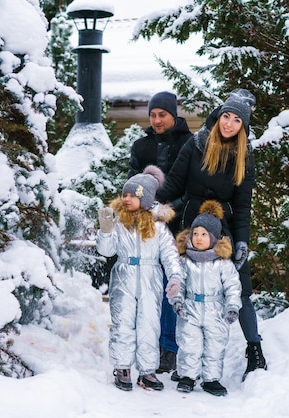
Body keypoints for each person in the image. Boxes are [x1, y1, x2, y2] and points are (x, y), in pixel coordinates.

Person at [156, 88, 268, 382]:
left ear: (243, 126)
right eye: (226, 117)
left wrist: (241, 241)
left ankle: (254, 350)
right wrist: (150, 201)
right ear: (218, 117)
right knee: (186, 286)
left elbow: (243, 204)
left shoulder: (245, 157)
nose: (229, 124)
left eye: (236, 121)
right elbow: (174, 184)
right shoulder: (196, 144)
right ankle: (183, 357)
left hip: (223, 226)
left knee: (240, 286)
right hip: (190, 223)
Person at [96, 165, 185, 392]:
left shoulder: (158, 228)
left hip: (150, 278)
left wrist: (175, 277)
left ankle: (147, 371)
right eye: (124, 194)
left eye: (132, 195)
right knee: (123, 322)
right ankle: (122, 367)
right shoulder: (119, 224)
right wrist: (106, 230)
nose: (126, 199)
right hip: (124, 277)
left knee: (149, 324)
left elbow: (170, 255)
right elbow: (106, 251)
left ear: (145, 199)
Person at [127, 91, 193, 375]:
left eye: (162, 115)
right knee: (147, 287)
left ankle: (169, 348)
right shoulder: (141, 147)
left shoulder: (189, 144)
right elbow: (132, 184)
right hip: (147, 228)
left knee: (171, 286)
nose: (156, 120)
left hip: (178, 226)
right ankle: (146, 344)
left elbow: (193, 187)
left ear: (173, 115)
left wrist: (169, 210)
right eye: (152, 115)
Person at [166, 200, 241, 396]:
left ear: (214, 238)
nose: (198, 238)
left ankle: (211, 379)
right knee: (189, 345)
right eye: (195, 233)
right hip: (190, 308)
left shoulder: (223, 263)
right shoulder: (185, 261)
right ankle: (187, 377)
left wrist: (232, 306)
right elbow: (178, 282)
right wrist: (178, 301)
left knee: (214, 347)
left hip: (215, 309)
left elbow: (233, 285)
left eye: (204, 234)